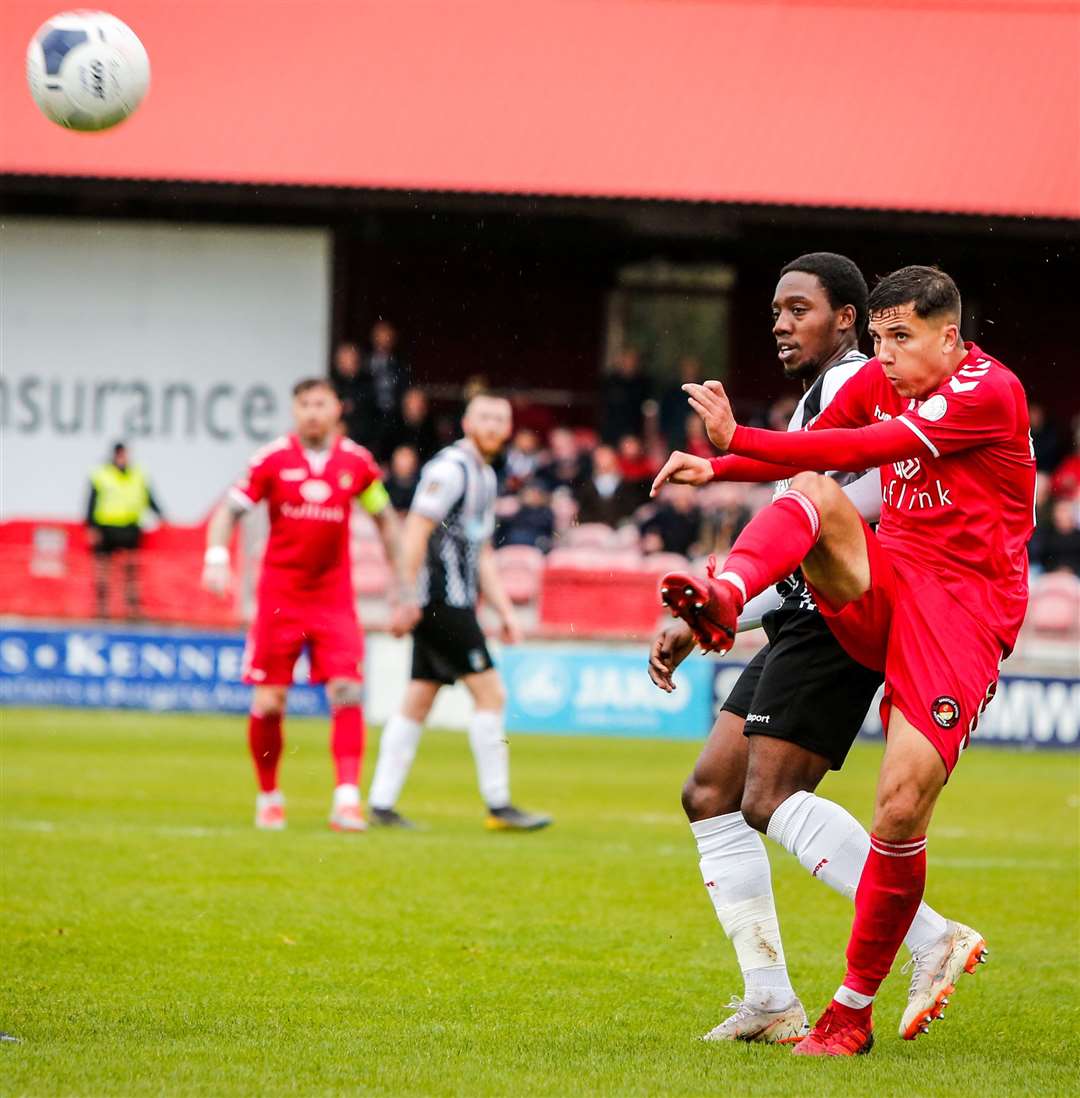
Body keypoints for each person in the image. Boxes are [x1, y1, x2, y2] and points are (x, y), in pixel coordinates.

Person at [654, 265, 1032, 1055]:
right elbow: (819, 451)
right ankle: (724, 595)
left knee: (898, 806)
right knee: (814, 489)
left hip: (961, 613)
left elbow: (874, 443)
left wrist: (735, 441)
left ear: (950, 337)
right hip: (889, 578)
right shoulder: (881, 379)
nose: (885, 356)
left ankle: (850, 1012)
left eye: (903, 338)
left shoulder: (987, 391)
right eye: (880, 338)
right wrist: (716, 468)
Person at [202, 378, 415, 833]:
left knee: (347, 691)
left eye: (321, 404)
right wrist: (218, 557)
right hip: (279, 596)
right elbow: (229, 512)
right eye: (304, 405)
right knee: (271, 700)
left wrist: (402, 584)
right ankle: (269, 795)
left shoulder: (356, 464)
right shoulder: (272, 460)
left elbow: (385, 522)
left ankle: (346, 800)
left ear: (338, 408)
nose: (313, 412)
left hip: (333, 596)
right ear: (295, 410)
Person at [367, 393, 552, 831]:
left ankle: (380, 803)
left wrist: (504, 610)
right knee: (491, 695)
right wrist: (406, 597)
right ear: (467, 422)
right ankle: (498, 804)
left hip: (452, 601)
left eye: (500, 418)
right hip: (439, 603)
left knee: (419, 698)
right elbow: (415, 529)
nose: (492, 425)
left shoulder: (484, 475)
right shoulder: (450, 470)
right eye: (484, 416)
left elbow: (481, 551)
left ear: (508, 428)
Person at [85, 442, 164, 619]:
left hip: (130, 528)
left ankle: (133, 609)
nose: (124, 458)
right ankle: (101, 609)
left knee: (131, 571)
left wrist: (161, 515)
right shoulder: (101, 474)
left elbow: (149, 498)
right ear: (115, 455)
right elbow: (91, 502)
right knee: (103, 571)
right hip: (106, 527)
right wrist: (91, 527)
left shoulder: (138, 474)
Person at [575, 445, 642, 526]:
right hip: (593, 529)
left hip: (621, 527)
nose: (601, 459)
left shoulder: (626, 484)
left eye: (605, 455)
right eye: (599, 456)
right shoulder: (586, 485)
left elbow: (631, 509)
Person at [600, 346, 652, 444]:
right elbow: (604, 409)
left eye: (632, 360)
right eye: (626, 359)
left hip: (634, 433)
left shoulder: (643, 383)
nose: (629, 363)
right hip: (612, 433)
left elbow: (647, 411)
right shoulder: (610, 382)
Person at [386, 444, 421, 513]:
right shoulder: (384, 487)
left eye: (407, 457)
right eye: (401, 457)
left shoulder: (421, 487)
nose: (404, 462)